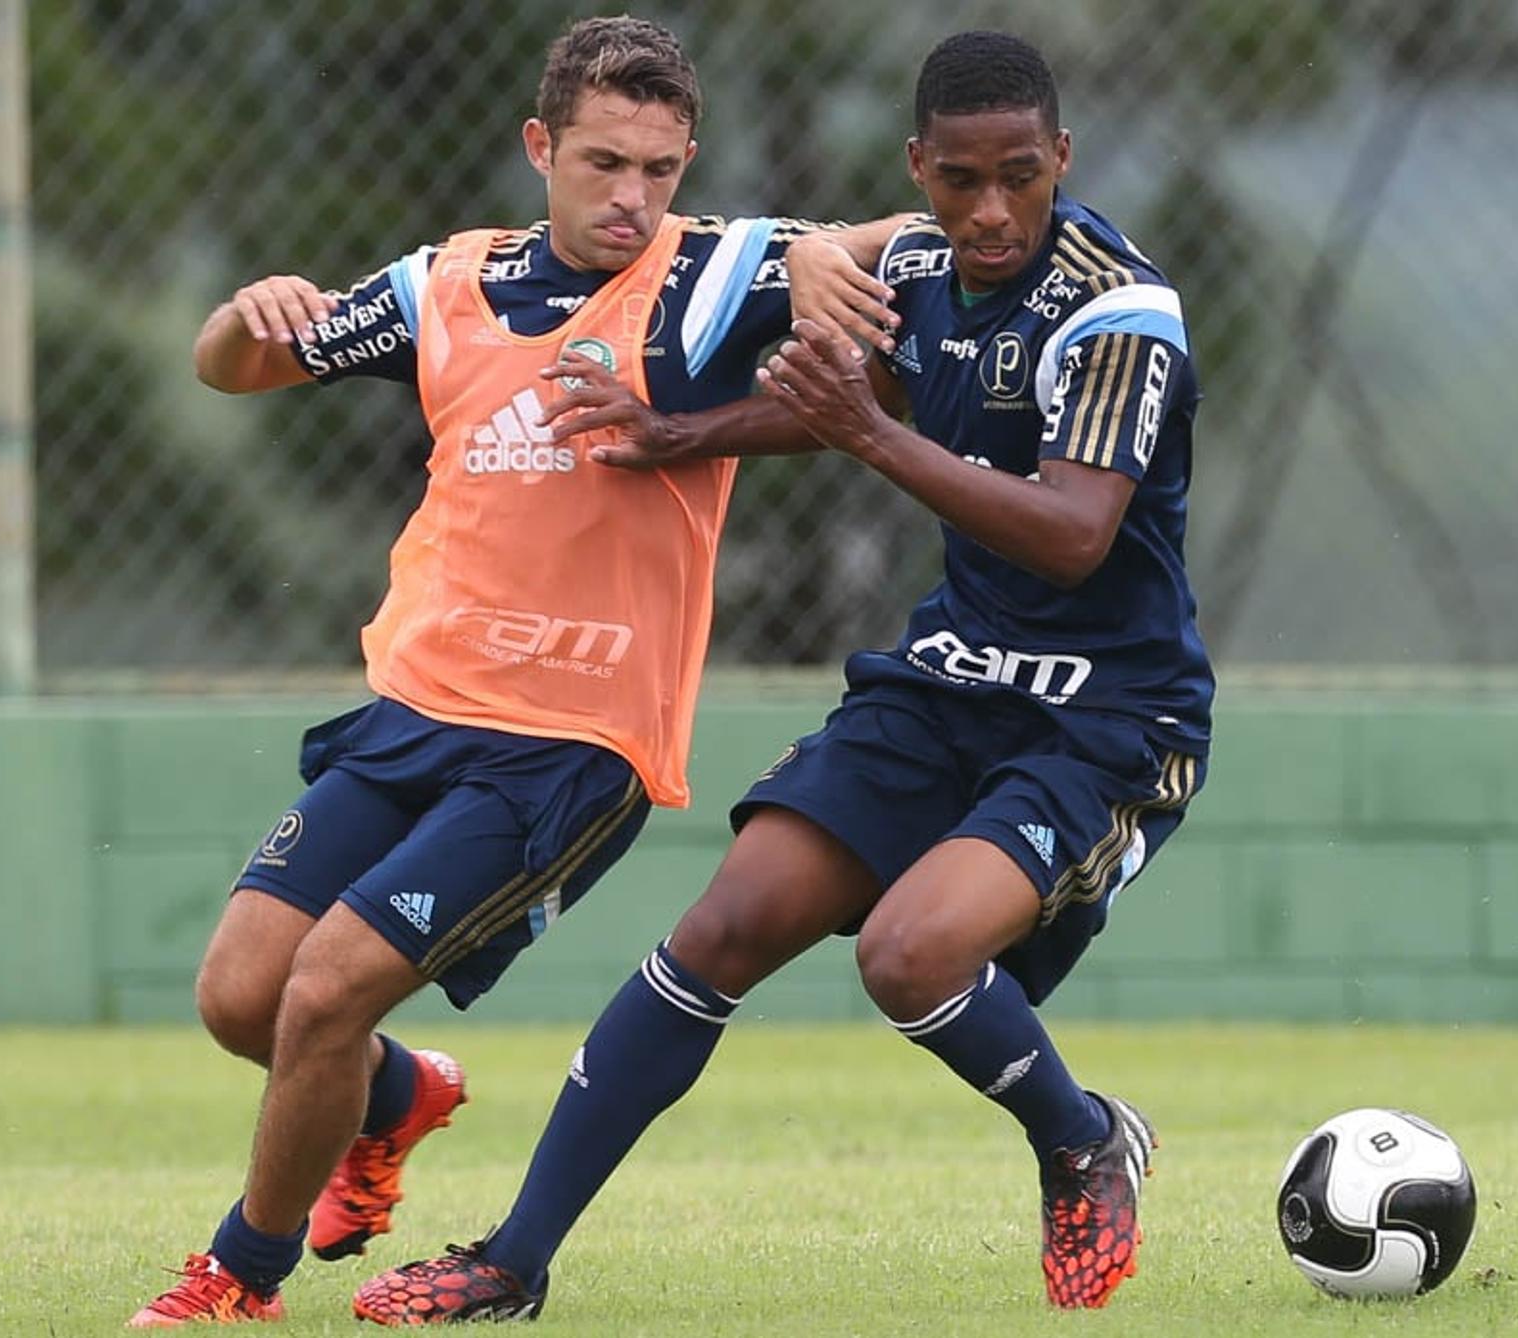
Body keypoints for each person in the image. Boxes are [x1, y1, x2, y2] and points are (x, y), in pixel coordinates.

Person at [355, 29, 1213, 1323]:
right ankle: (513, 1260)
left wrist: (870, 435)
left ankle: (1081, 1136)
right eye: (960, 179)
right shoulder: (917, 263)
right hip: (944, 684)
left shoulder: (1118, 309)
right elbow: (847, 381)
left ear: (1062, 162)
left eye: (1020, 178)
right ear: (918, 168)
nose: (990, 211)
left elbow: (1071, 527)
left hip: (1105, 715)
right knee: (722, 928)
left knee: (906, 955)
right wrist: (678, 430)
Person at [128, 16, 903, 1328]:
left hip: (568, 746)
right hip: (413, 709)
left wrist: (829, 245)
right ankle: (396, 1097)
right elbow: (234, 366)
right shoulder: (444, 282)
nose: (632, 196)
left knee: (325, 988)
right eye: (604, 163)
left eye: (660, 169)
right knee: (241, 995)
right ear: (540, 145)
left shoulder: (707, 276)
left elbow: (894, 239)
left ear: (687, 164)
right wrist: (240, 316)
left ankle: (235, 1279)